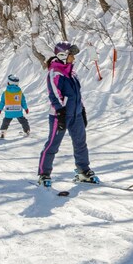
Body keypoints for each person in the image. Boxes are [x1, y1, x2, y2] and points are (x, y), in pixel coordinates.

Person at [37, 42, 95, 186]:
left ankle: (83, 171)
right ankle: (44, 174)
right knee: (52, 145)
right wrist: (61, 113)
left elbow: (77, 95)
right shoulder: (55, 73)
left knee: (80, 143)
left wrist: (82, 110)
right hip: (59, 116)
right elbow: (54, 94)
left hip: (76, 114)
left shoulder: (72, 74)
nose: (73, 58)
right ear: (62, 56)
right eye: (71, 55)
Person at [0, 74, 30, 139]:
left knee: (5, 121)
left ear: (9, 83)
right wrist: (26, 108)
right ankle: (27, 131)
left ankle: (3, 132)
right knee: (23, 121)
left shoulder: (5, 93)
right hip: (18, 111)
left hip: (9, 111)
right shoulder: (20, 92)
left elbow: (2, 102)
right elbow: (23, 101)